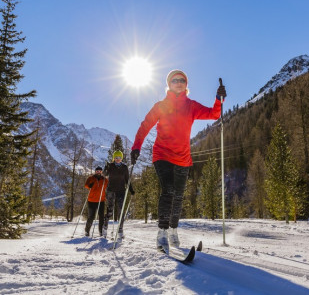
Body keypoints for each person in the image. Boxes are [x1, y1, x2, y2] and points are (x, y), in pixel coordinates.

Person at [130, 69, 226, 251]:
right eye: (175, 80)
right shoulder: (161, 105)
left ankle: (173, 230)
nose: (179, 82)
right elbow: (145, 126)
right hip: (162, 154)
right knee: (168, 190)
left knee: (179, 196)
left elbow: (213, 114)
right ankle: (162, 232)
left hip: (183, 158)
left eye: (182, 80)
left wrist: (218, 99)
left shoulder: (191, 106)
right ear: (169, 84)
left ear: (186, 85)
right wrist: (136, 147)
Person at [103, 150, 134, 239]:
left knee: (121, 211)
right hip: (111, 190)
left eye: (119, 158)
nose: (117, 159)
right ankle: (105, 228)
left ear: (121, 158)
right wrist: (106, 168)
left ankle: (120, 230)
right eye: (116, 158)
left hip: (121, 191)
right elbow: (105, 174)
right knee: (110, 210)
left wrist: (131, 190)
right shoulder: (111, 166)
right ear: (114, 158)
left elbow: (127, 180)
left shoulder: (124, 167)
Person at [83, 166, 108, 237]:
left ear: (101, 172)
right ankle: (87, 231)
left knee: (101, 217)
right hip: (92, 200)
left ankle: (101, 231)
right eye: (97, 171)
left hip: (101, 200)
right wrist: (89, 185)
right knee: (91, 216)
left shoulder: (104, 180)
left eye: (100, 171)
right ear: (95, 171)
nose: (98, 172)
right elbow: (86, 185)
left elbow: (108, 186)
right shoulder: (91, 178)